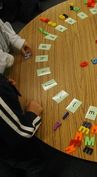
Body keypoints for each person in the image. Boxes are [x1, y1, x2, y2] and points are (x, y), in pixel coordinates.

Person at [0, 19, 46, 177]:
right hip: (13, 145)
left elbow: (3, 30)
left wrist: (5, 83)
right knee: (32, 163)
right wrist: (32, 113)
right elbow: (21, 132)